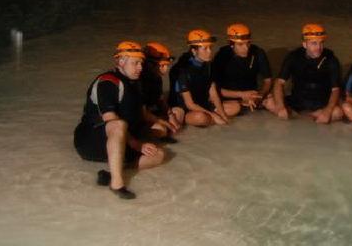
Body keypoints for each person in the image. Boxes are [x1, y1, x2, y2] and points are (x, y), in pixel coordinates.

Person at [73, 41, 166, 199]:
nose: (140, 67)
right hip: (91, 141)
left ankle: (111, 173)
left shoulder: (135, 83)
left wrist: (161, 123)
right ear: (121, 62)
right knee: (118, 124)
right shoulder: (108, 82)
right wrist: (137, 144)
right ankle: (117, 184)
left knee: (159, 155)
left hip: (120, 140)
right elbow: (111, 120)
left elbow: (140, 113)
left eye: (141, 63)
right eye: (135, 63)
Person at [271, 23, 344, 123]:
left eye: (321, 43)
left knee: (337, 113)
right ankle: (304, 118)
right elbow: (279, 82)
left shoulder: (331, 59)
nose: (319, 47)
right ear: (304, 44)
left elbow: (335, 90)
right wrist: (280, 106)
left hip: (321, 105)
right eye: (314, 43)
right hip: (297, 104)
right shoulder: (293, 57)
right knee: (269, 102)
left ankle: (304, 119)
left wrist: (327, 111)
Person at [170, 29, 237, 126]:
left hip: (203, 104)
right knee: (201, 118)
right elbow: (189, 104)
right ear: (194, 51)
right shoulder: (182, 70)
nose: (209, 52)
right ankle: (204, 119)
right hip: (188, 109)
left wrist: (223, 115)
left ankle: (212, 120)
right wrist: (214, 116)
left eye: (210, 47)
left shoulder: (207, 65)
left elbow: (213, 93)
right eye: (205, 49)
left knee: (235, 107)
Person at [211, 23, 273, 114]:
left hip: (252, 97)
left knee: (272, 102)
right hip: (230, 99)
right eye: (240, 45)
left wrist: (260, 95)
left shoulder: (258, 52)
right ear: (231, 44)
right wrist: (242, 95)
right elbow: (213, 89)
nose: (246, 48)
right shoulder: (222, 56)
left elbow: (268, 80)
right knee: (235, 108)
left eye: (248, 43)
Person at [140, 41, 181, 140]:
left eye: (167, 65)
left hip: (150, 112)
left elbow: (160, 100)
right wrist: (164, 122)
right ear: (149, 65)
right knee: (161, 130)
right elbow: (142, 113)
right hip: (140, 116)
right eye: (162, 65)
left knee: (177, 113)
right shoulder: (139, 81)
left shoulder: (156, 77)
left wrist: (171, 116)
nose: (165, 69)